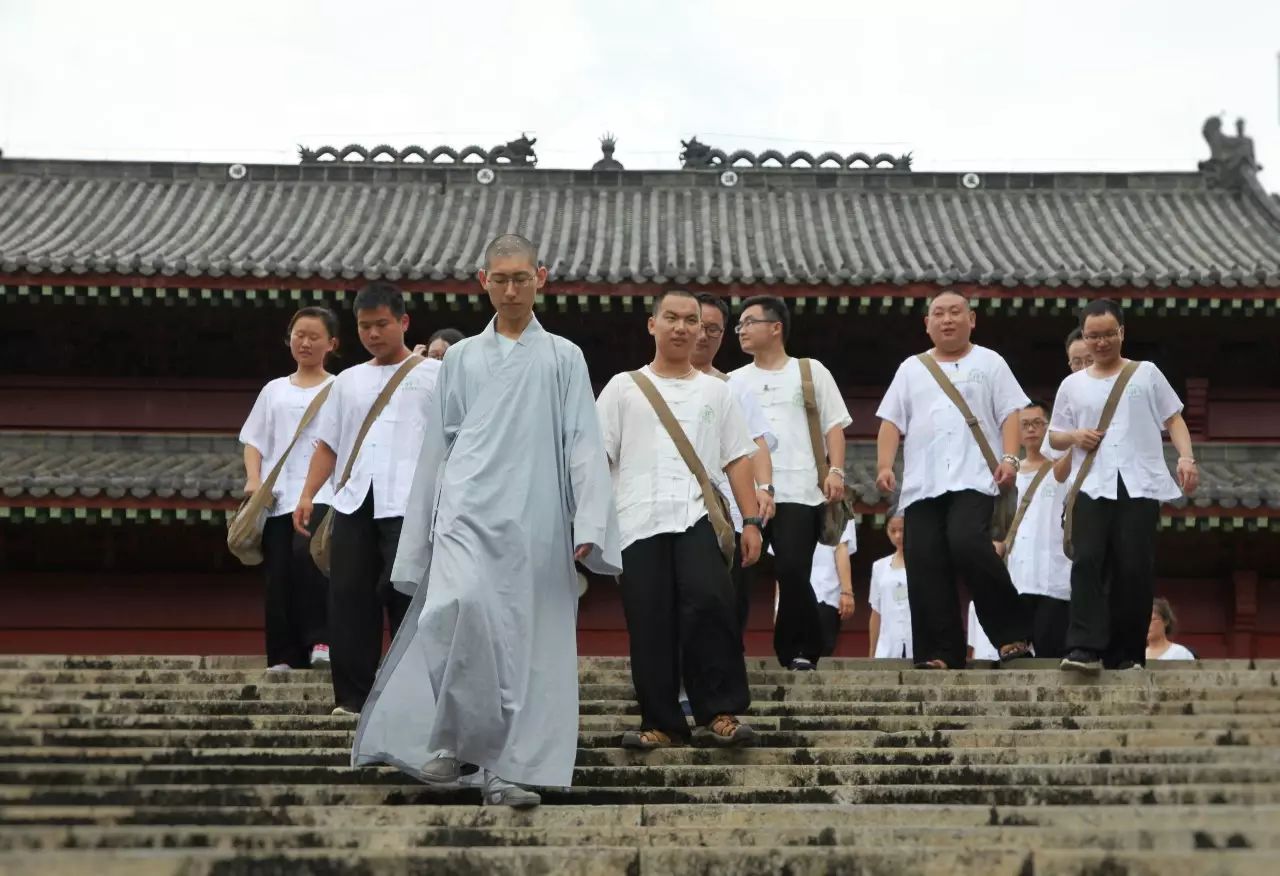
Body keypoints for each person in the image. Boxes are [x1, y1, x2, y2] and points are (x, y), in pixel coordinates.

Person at [350, 234, 621, 810]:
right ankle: (455, 738)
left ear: (541, 278)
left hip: (534, 512)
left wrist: (588, 522)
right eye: (500, 279)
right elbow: (439, 446)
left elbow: (582, 440)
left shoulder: (564, 357)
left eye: (521, 277)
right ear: (483, 282)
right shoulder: (464, 358)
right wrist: (423, 524)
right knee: (454, 610)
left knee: (518, 640)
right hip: (466, 507)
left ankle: (501, 769)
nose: (511, 289)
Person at [597, 290, 763, 749]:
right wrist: (590, 526)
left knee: (711, 603)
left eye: (692, 320)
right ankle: (662, 721)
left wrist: (751, 520)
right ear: (652, 325)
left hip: (697, 516)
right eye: (671, 318)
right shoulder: (622, 387)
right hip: (635, 519)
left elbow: (738, 458)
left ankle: (719, 711)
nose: (682, 327)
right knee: (649, 621)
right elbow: (596, 458)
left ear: (703, 330)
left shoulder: (717, 391)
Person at [294, 282, 442, 716]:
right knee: (348, 599)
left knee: (407, 599)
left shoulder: (436, 375)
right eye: (364, 326)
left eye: (382, 325)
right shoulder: (348, 381)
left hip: (411, 504)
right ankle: (352, 698)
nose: (373, 334)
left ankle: (409, 698)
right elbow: (328, 443)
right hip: (355, 500)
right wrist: (307, 493)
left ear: (403, 322)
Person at [875, 290, 1033, 669]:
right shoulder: (911, 368)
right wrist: (884, 465)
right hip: (922, 483)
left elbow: (1011, 412)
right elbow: (891, 422)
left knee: (967, 543)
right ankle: (941, 652)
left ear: (972, 319)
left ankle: (1012, 633)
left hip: (974, 476)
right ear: (927, 323)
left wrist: (1010, 458)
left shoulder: (990, 362)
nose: (947, 320)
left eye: (955, 312)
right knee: (926, 561)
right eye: (938, 313)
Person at [1048, 299, 1198, 672]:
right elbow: (1053, 437)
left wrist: (1185, 457)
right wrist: (1075, 437)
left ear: (1122, 333)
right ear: (1084, 336)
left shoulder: (1146, 374)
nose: (1100, 343)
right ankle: (1084, 648)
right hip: (1091, 485)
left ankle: (1128, 653)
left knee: (1133, 568)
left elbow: (1174, 419)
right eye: (1092, 336)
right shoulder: (1072, 385)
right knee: (1087, 563)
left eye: (1107, 334)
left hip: (1139, 484)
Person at [731, 296, 852, 671]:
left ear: (776, 327)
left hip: (799, 488)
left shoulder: (810, 371)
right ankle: (726, 646)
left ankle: (799, 647)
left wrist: (836, 471)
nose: (742, 330)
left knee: (793, 570)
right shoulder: (733, 381)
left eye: (750, 322)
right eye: (739, 325)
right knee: (737, 573)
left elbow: (834, 425)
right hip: (747, 492)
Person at [240, 306, 339, 671]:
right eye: (300, 335)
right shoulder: (274, 390)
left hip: (321, 494)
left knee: (312, 564)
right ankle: (283, 654)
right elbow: (254, 440)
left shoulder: (339, 388)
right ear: (289, 340)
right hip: (278, 497)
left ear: (332, 343)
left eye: (315, 336)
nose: (306, 343)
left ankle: (322, 640)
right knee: (278, 575)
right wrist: (254, 479)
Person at [690, 292, 777, 637]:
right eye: (697, 324)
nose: (702, 335)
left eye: (713, 329)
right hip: (675, 510)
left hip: (730, 511)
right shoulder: (644, 384)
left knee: (729, 599)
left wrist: (765, 488)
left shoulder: (734, 388)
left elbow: (757, 443)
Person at [996, 401, 1074, 658]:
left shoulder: (1063, 470)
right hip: (1018, 573)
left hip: (1055, 572)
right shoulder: (1007, 475)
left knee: (1051, 650)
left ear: (1048, 427)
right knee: (1016, 655)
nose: (1031, 430)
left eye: (1038, 423)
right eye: (1025, 425)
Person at [809, 520, 857, 656]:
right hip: (795, 592)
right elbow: (782, 557)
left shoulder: (841, 507)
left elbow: (841, 548)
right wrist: (778, 605)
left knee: (823, 648)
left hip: (826, 593)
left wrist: (847, 592)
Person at [868, 515, 911, 660]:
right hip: (888, 644)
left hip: (916, 642)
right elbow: (876, 611)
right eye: (893, 531)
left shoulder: (925, 564)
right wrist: (872, 651)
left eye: (902, 530)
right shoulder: (879, 567)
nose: (898, 536)